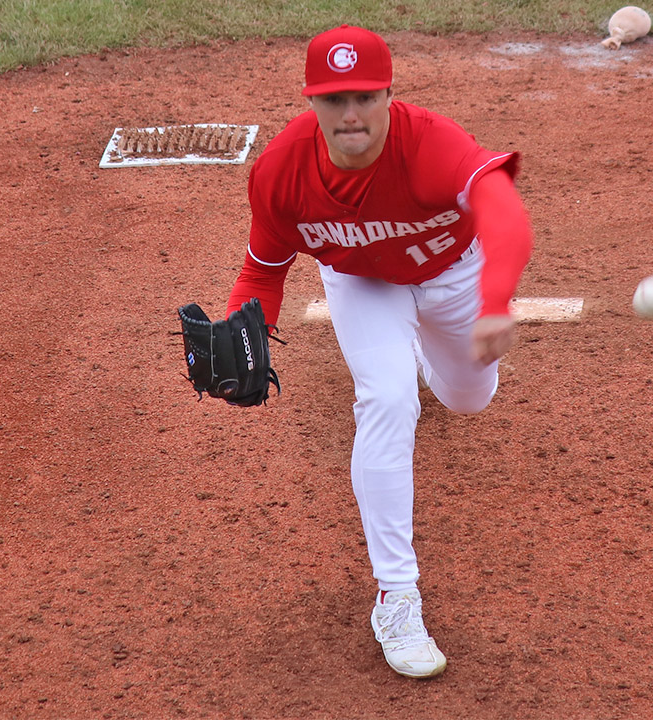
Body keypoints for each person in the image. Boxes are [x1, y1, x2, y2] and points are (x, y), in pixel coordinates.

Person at [225, 24, 533, 678]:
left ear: (389, 93)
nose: (351, 114)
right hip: (362, 283)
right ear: (311, 103)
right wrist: (242, 331)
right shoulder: (282, 172)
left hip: (452, 274)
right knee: (387, 400)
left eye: (364, 96)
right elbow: (261, 270)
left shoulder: (431, 146)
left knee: (468, 397)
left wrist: (496, 300)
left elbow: (503, 209)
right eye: (334, 100)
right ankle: (397, 596)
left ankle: (428, 353)